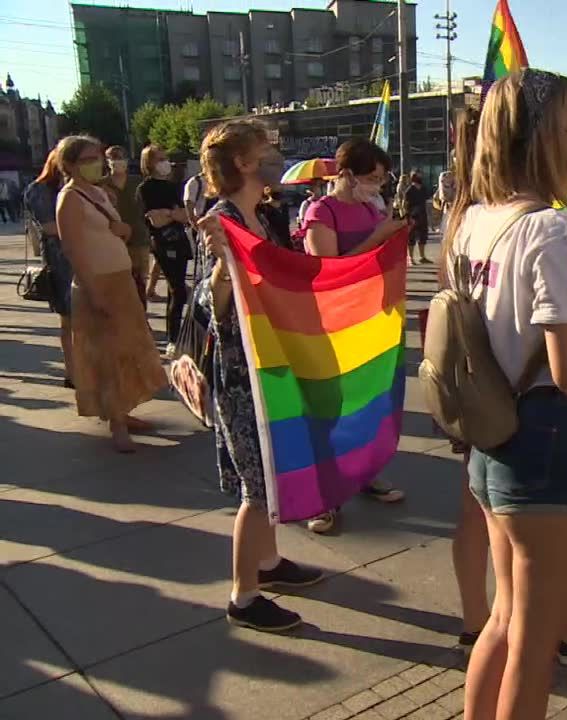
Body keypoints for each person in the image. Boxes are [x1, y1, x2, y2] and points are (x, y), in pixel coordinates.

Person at [452, 68, 567, 720]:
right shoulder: (554, 230)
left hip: (493, 437)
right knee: (533, 644)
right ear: (546, 136)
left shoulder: (476, 220)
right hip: (549, 445)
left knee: (504, 620)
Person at [194, 119, 325, 633]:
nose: (276, 156)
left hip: (270, 361)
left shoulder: (264, 215)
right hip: (239, 371)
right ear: (245, 163)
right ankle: (243, 596)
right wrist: (225, 267)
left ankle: (269, 566)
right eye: (267, 150)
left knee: (272, 474)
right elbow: (212, 305)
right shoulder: (222, 220)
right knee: (257, 488)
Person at [299, 138, 407, 533]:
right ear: (344, 174)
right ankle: (319, 496)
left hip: (368, 318)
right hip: (330, 323)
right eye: (370, 177)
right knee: (328, 410)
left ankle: (363, 473)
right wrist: (380, 239)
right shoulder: (320, 212)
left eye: (381, 178)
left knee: (366, 404)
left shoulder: (368, 207)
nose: (376, 185)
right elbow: (326, 270)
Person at [54, 135, 167, 453]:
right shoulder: (70, 198)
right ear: (71, 164)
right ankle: (116, 423)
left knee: (129, 348)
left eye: (97, 156)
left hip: (120, 279)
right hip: (97, 282)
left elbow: (122, 229)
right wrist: (94, 292)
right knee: (108, 354)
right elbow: (73, 249)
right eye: (88, 158)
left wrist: (124, 231)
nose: (97, 163)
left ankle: (125, 411)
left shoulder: (99, 193)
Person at [24, 151, 74, 387]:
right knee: (69, 318)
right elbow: (50, 227)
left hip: (84, 256)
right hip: (60, 261)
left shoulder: (79, 188)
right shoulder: (39, 190)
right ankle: (73, 372)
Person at [137, 145, 192, 358]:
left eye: (165, 157)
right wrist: (172, 214)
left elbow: (184, 215)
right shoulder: (146, 188)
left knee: (176, 291)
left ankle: (177, 334)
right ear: (149, 163)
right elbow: (156, 221)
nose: (165, 162)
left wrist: (169, 213)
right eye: (159, 159)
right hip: (163, 243)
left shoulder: (172, 186)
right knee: (177, 289)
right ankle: (173, 338)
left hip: (179, 241)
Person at [100, 145, 150, 302]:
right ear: (107, 162)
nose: (118, 162)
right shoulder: (101, 185)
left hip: (140, 237)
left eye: (121, 157)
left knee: (140, 281)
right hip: (114, 239)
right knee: (121, 282)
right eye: (113, 158)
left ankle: (141, 318)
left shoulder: (138, 182)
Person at [403, 171, 431, 264]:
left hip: (422, 214)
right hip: (413, 216)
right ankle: (410, 258)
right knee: (411, 237)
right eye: (418, 175)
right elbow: (406, 205)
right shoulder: (409, 190)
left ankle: (422, 256)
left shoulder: (423, 188)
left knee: (423, 236)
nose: (420, 177)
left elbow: (426, 200)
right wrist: (408, 216)